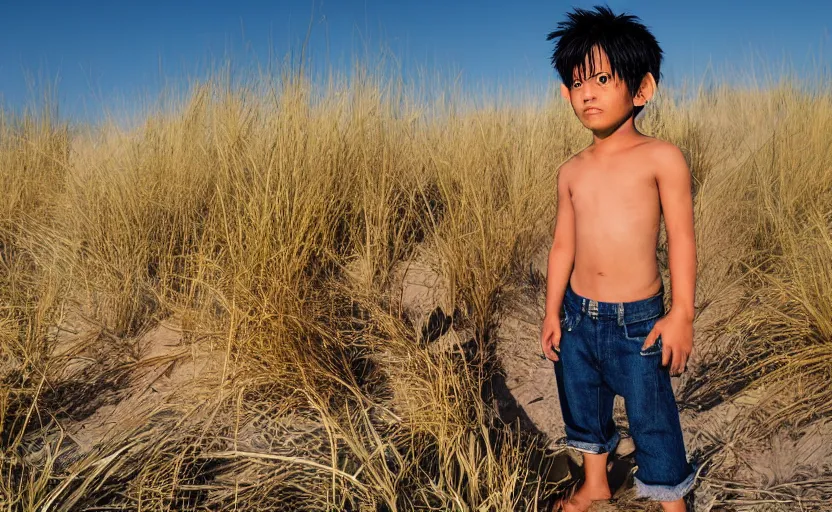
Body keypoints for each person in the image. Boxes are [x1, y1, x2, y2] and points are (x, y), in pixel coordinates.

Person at [540, 6, 697, 511]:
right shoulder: (571, 171)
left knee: (653, 417)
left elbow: (681, 238)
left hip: (640, 323)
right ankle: (594, 482)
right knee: (582, 406)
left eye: (603, 78)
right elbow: (563, 245)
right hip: (578, 316)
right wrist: (551, 311)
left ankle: (671, 498)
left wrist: (683, 312)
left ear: (642, 89)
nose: (588, 92)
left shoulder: (661, 157)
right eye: (577, 81)